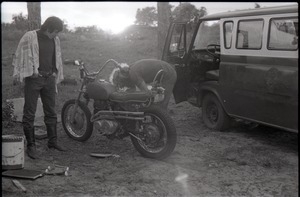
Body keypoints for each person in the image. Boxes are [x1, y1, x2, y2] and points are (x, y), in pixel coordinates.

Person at [12, 16, 66, 159]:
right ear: (49, 28)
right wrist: (29, 71)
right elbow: (20, 54)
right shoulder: (30, 36)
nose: (56, 35)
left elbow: (57, 56)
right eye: (55, 32)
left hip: (49, 79)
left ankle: (52, 142)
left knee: (51, 111)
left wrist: (54, 72)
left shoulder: (55, 40)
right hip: (34, 79)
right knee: (29, 112)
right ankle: (31, 145)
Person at [110, 59, 177, 109]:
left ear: (121, 79)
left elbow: (146, 92)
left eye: (120, 84)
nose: (122, 87)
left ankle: (164, 124)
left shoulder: (133, 74)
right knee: (157, 103)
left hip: (168, 73)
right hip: (163, 71)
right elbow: (132, 90)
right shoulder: (128, 72)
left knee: (162, 104)